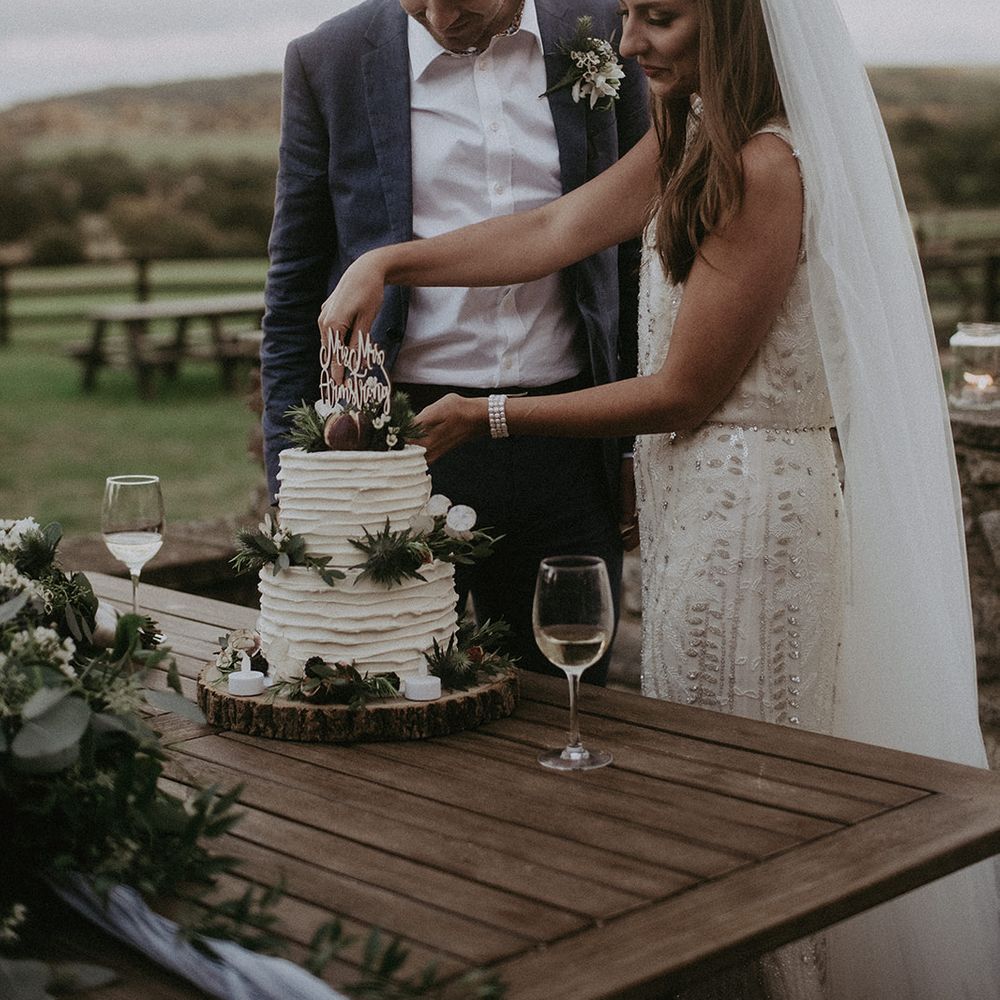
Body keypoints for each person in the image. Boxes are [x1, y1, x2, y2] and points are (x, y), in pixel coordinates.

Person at [318, 0, 1000, 996]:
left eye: (661, 18)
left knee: (747, 808)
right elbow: (556, 226)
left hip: (756, 513)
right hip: (693, 499)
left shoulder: (766, 166)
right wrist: (385, 261)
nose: (629, 42)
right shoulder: (688, 133)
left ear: (733, 26)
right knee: (702, 787)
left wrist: (486, 412)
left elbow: (684, 389)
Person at [260, 0, 649, 683]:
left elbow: (634, 255)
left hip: (567, 442)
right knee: (386, 690)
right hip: (402, 449)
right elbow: (295, 288)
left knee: (567, 692)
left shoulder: (608, 27)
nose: (439, 15)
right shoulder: (331, 59)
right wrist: (289, 479)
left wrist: (628, 445)